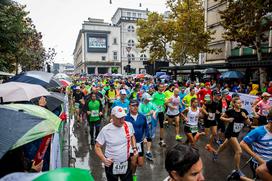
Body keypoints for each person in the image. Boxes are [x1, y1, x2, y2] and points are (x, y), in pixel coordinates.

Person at [95, 106, 137, 181]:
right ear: (112, 117)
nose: (122, 120)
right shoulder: (106, 130)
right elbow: (97, 147)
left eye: (123, 117)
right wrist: (104, 159)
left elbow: (132, 135)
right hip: (111, 164)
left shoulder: (128, 125)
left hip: (126, 162)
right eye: (119, 118)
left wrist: (134, 148)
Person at [213, 97, 252, 174]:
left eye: (240, 102)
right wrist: (228, 120)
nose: (240, 104)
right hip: (230, 132)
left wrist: (246, 117)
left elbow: (248, 123)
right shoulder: (230, 111)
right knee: (239, 151)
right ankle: (237, 170)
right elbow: (221, 117)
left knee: (225, 145)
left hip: (236, 133)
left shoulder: (244, 111)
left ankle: (216, 153)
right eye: (238, 103)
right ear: (233, 104)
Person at [240, 108, 272, 178]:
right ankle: (240, 177)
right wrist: (258, 159)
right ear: (270, 121)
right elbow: (242, 143)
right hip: (259, 163)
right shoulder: (259, 131)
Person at [125, 100, 150, 181]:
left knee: (140, 163)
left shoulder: (142, 116)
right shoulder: (126, 117)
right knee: (133, 161)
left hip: (140, 142)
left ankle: (131, 171)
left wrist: (146, 137)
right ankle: (132, 175)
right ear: (129, 106)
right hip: (130, 144)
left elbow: (146, 128)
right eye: (133, 105)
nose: (135, 107)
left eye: (136, 105)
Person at [138, 93, 157, 161]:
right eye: (147, 100)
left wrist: (154, 112)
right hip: (141, 124)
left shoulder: (150, 104)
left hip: (148, 123)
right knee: (142, 138)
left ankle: (148, 152)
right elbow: (140, 114)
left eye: (149, 100)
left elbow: (156, 108)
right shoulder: (140, 105)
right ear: (144, 99)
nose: (149, 101)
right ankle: (140, 151)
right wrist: (148, 113)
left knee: (149, 137)